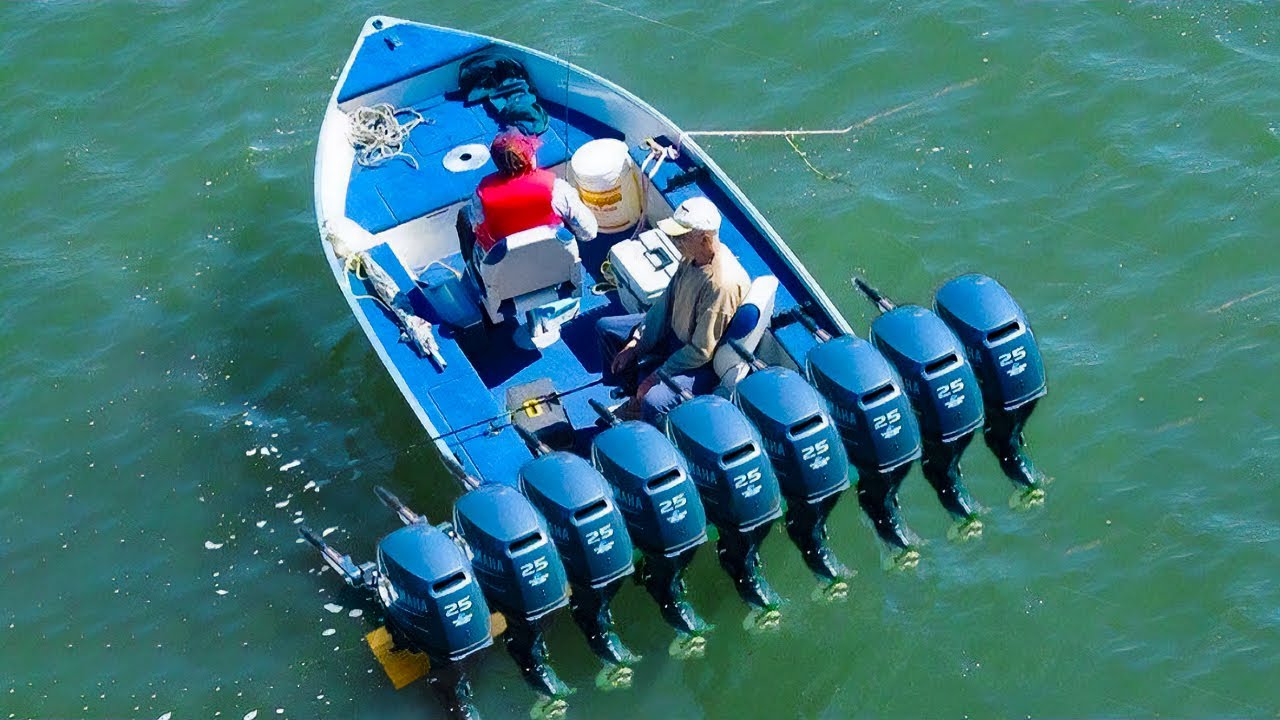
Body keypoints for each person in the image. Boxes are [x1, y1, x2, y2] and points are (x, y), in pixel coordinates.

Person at [596, 196, 751, 420]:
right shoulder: (690, 257)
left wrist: (658, 376)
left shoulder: (721, 285)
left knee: (655, 401)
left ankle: (645, 416)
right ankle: (633, 396)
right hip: (675, 333)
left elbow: (701, 351)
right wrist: (636, 342)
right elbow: (664, 303)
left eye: (681, 236)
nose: (673, 240)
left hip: (698, 363)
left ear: (705, 239)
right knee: (607, 329)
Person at [458, 130, 597, 265]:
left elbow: (477, 226)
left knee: (464, 215)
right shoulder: (557, 189)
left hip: (505, 270)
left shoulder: (480, 196)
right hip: (553, 262)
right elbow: (589, 233)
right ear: (530, 157)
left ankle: (475, 276)